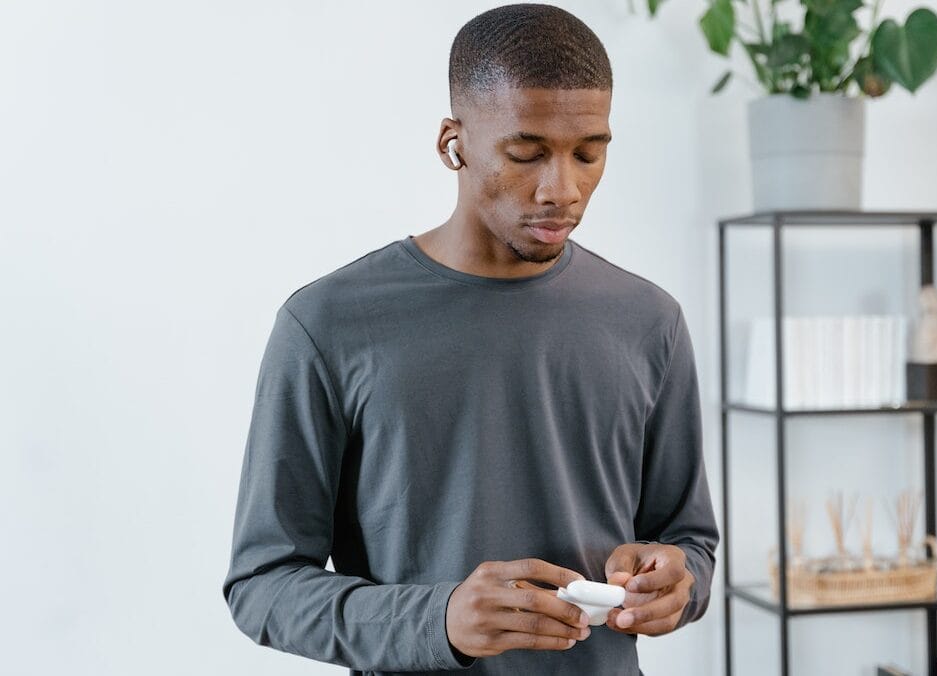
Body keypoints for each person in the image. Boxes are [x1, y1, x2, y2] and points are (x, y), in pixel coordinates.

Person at [221, 4, 718, 674]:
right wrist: (439, 619)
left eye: (588, 153)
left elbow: (689, 540)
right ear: (453, 142)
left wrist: (678, 583)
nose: (561, 188)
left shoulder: (648, 320)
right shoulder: (327, 324)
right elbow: (263, 585)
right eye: (526, 153)